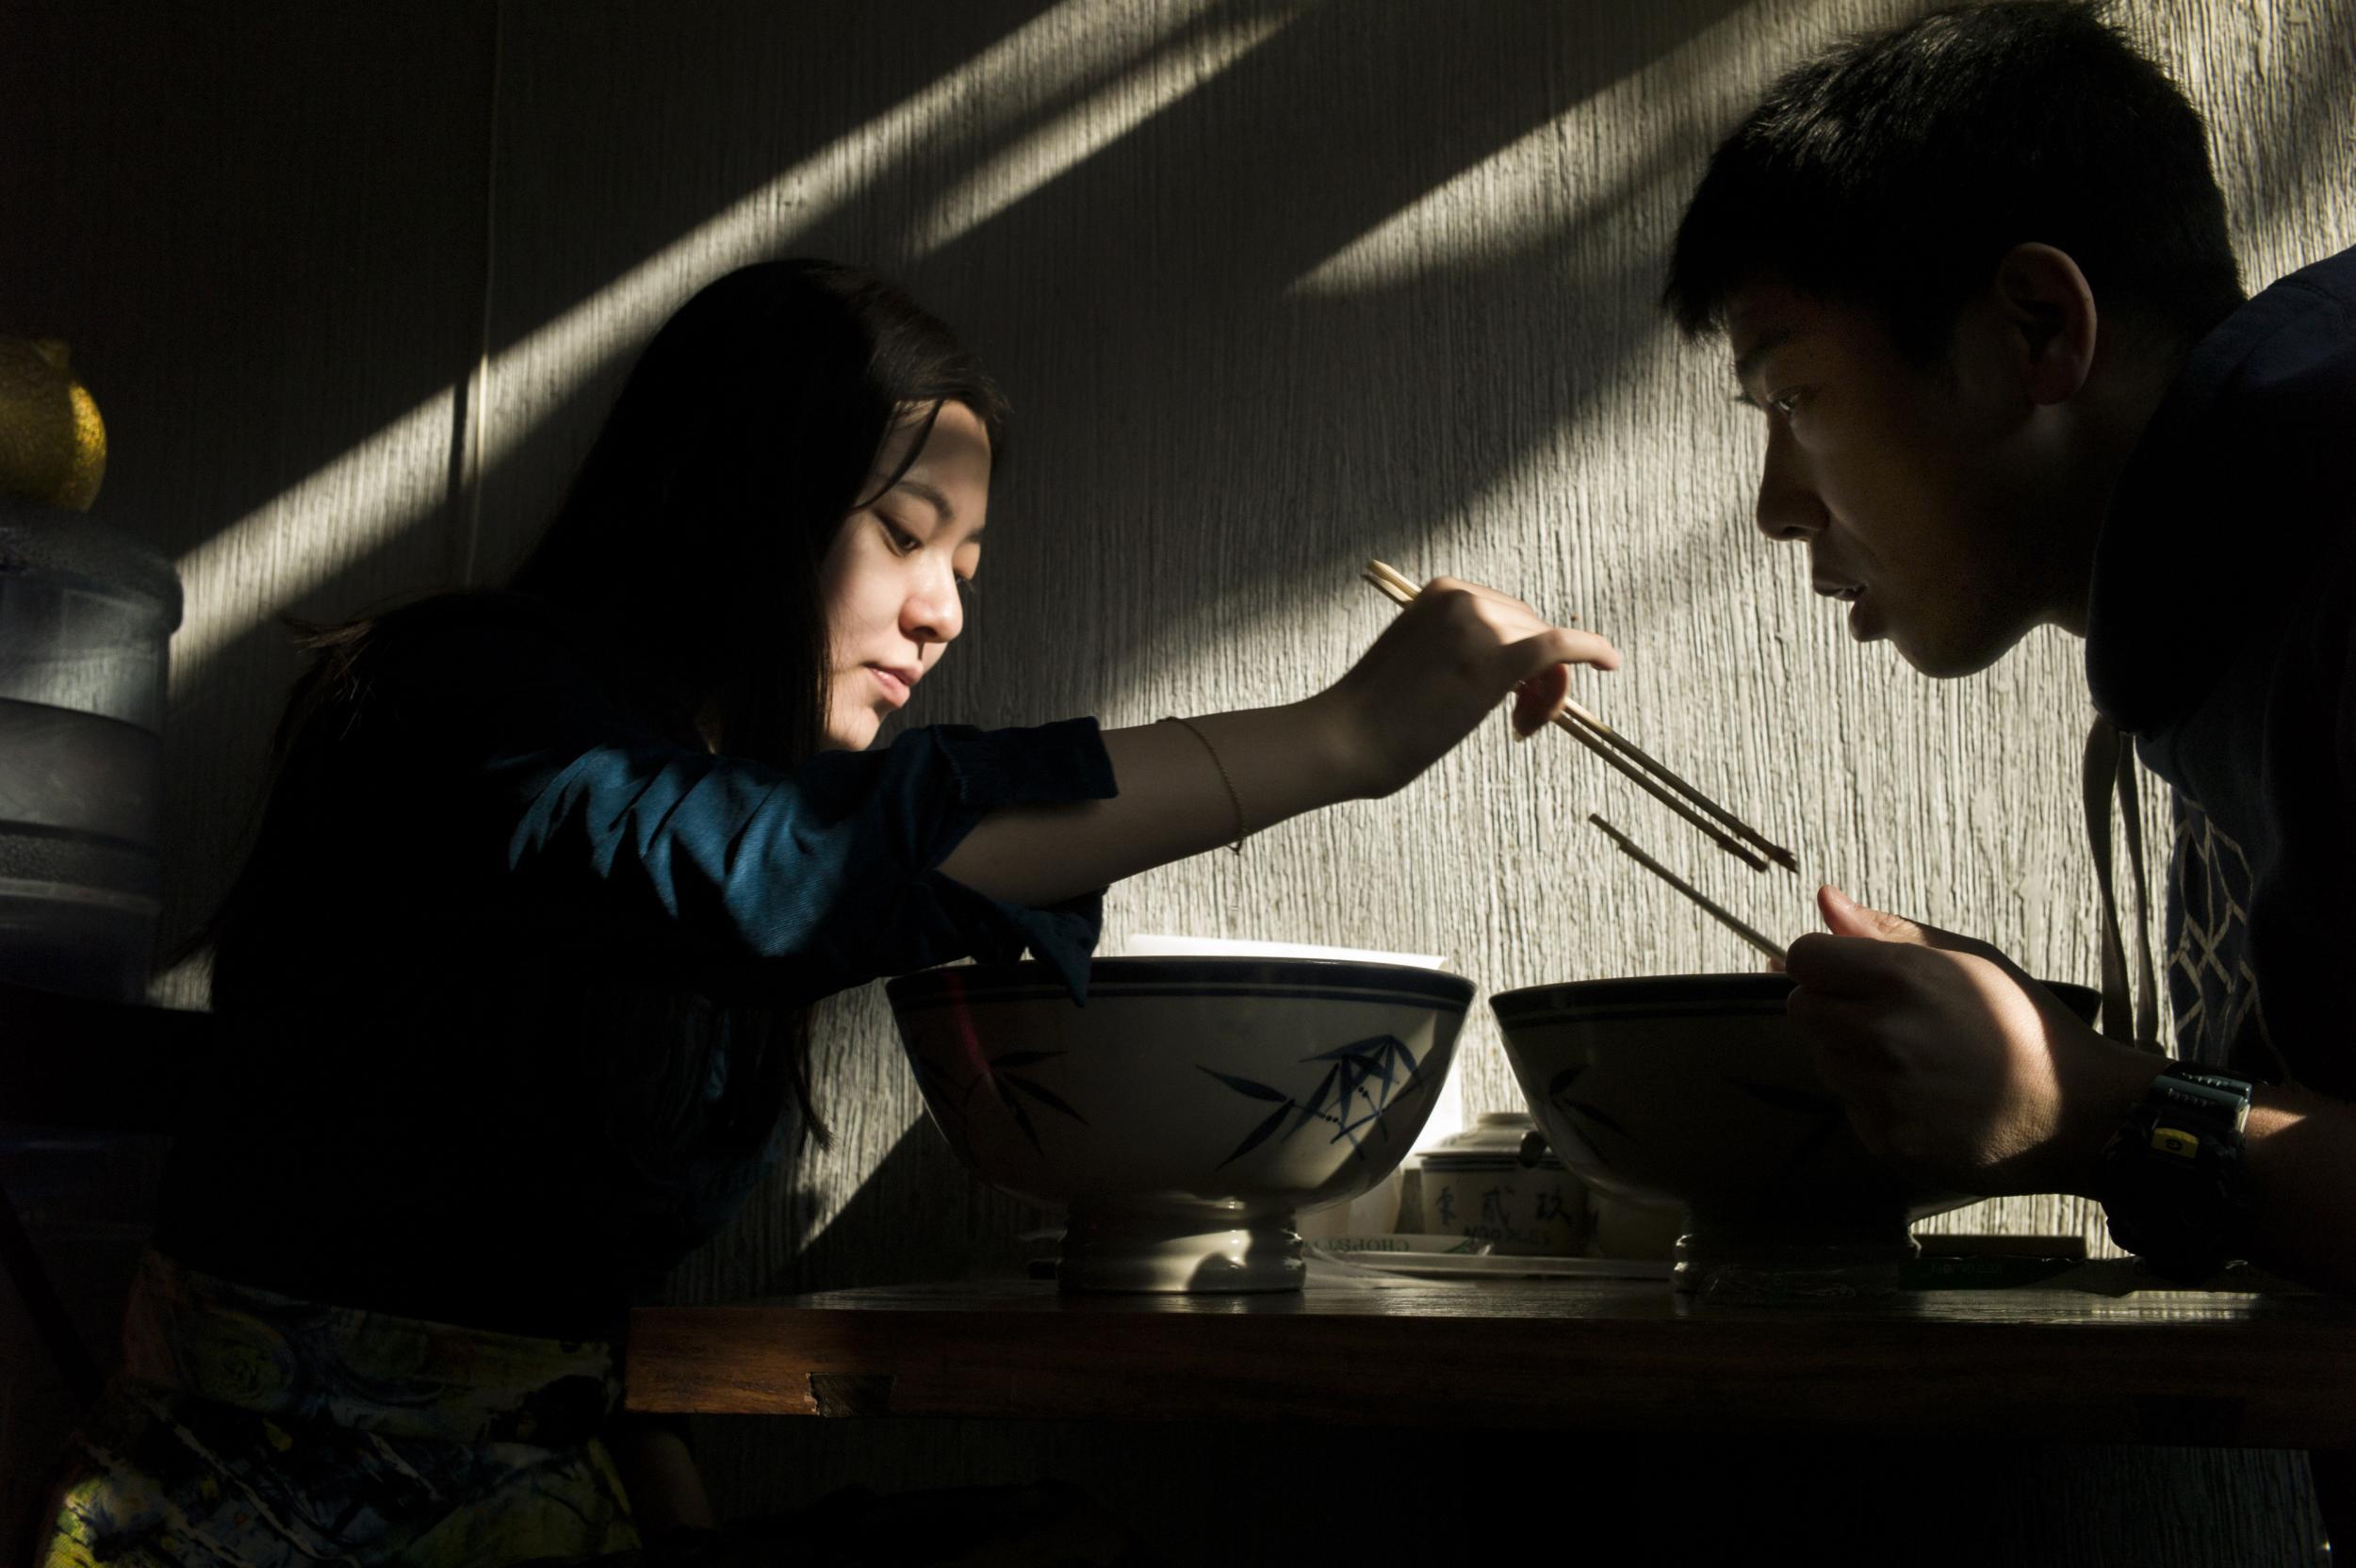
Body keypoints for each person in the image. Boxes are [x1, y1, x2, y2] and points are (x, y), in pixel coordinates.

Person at [40, 261, 1618, 1564]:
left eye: (970, 560)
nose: (943, 608)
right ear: (739, 503)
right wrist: (1342, 739)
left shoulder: (692, 789)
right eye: (904, 534)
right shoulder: (462, 705)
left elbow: (567, 1283)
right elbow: (782, 870)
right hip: (257, 1522)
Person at [1661, 1, 2356, 1298]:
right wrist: (2033, 1061)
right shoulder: (2215, 623)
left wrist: (2091, 1104)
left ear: (2035, 328)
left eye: (1797, 397)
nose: (1774, 504)